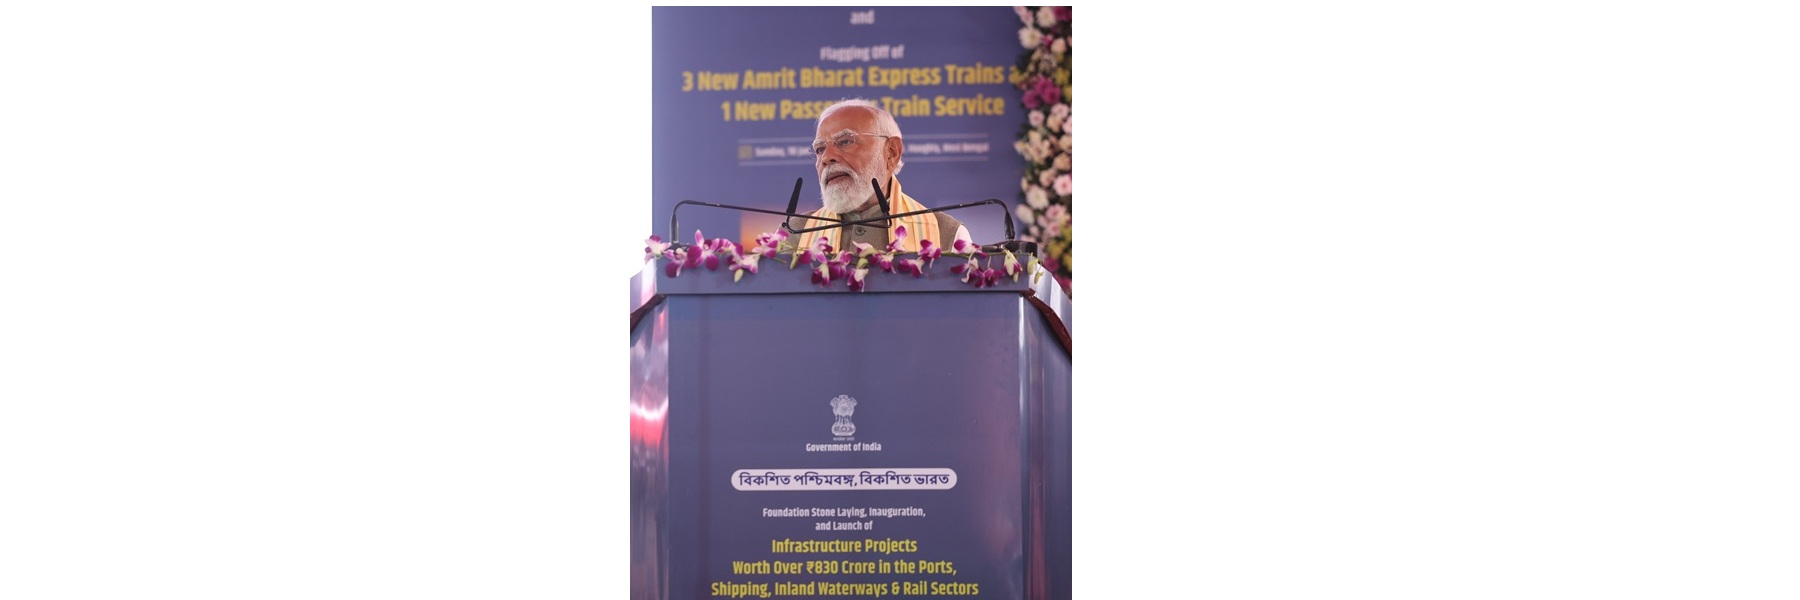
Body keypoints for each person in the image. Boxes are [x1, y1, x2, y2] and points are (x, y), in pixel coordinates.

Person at [785, 99, 968, 254]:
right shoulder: (794, 235)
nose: (826, 157)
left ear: (891, 152)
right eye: (820, 149)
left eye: (845, 142)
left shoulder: (946, 235)